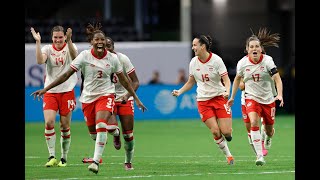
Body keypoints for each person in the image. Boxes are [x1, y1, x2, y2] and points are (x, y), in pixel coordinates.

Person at [31, 22, 147, 174]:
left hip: (107, 95)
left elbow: (126, 80)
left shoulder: (114, 59)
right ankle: (112, 136)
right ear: (92, 42)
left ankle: (96, 162)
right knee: (94, 134)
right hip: (88, 99)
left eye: (102, 40)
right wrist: (46, 89)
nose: (100, 42)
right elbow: (66, 74)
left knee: (103, 126)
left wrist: (135, 98)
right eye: (96, 40)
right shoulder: (84, 56)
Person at [172, 35, 234, 165]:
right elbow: (191, 82)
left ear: (203, 46)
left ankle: (228, 135)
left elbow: (226, 80)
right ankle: (228, 156)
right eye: (193, 45)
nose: (193, 47)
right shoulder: (193, 62)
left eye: (195, 45)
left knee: (226, 133)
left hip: (219, 97)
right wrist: (180, 91)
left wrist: (227, 91)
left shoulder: (217, 60)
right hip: (203, 101)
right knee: (215, 131)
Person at [227, 27, 283, 166]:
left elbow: (277, 79)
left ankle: (267, 136)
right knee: (253, 123)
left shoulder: (268, 61)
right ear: (247, 49)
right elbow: (237, 80)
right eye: (251, 46)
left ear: (261, 48)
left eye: (257, 46)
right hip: (251, 97)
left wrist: (280, 95)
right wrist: (232, 97)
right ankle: (259, 156)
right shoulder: (242, 63)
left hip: (268, 98)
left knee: (270, 130)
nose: (254, 48)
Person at [82, 37, 139, 171]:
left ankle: (128, 161)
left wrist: (128, 95)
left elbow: (135, 81)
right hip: (108, 97)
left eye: (110, 46)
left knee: (128, 135)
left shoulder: (122, 59)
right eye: (105, 46)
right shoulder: (97, 61)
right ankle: (115, 134)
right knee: (110, 128)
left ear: (114, 47)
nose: (107, 49)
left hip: (125, 98)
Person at [30, 26, 78, 167]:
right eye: (55, 37)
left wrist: (69, 41)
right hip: (50, 92)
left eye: (60, 37)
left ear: (64, 37)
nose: (58, 39)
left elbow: (75, 59)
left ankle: (63, 158)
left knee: (64, 125)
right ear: (52, 38)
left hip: (67, 91)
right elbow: (40, 61)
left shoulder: (71, 46)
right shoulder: (47, 49)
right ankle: (51, 156)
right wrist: (38, 42)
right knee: (49, 122)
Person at [239, 79, 268, 157]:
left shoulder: (264, 67)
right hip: (246, 100)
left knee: (265, 123)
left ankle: (262, 141)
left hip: (263, 99)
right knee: (250, 130)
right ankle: (258, 153)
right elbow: (241, 87)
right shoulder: (243, 67)